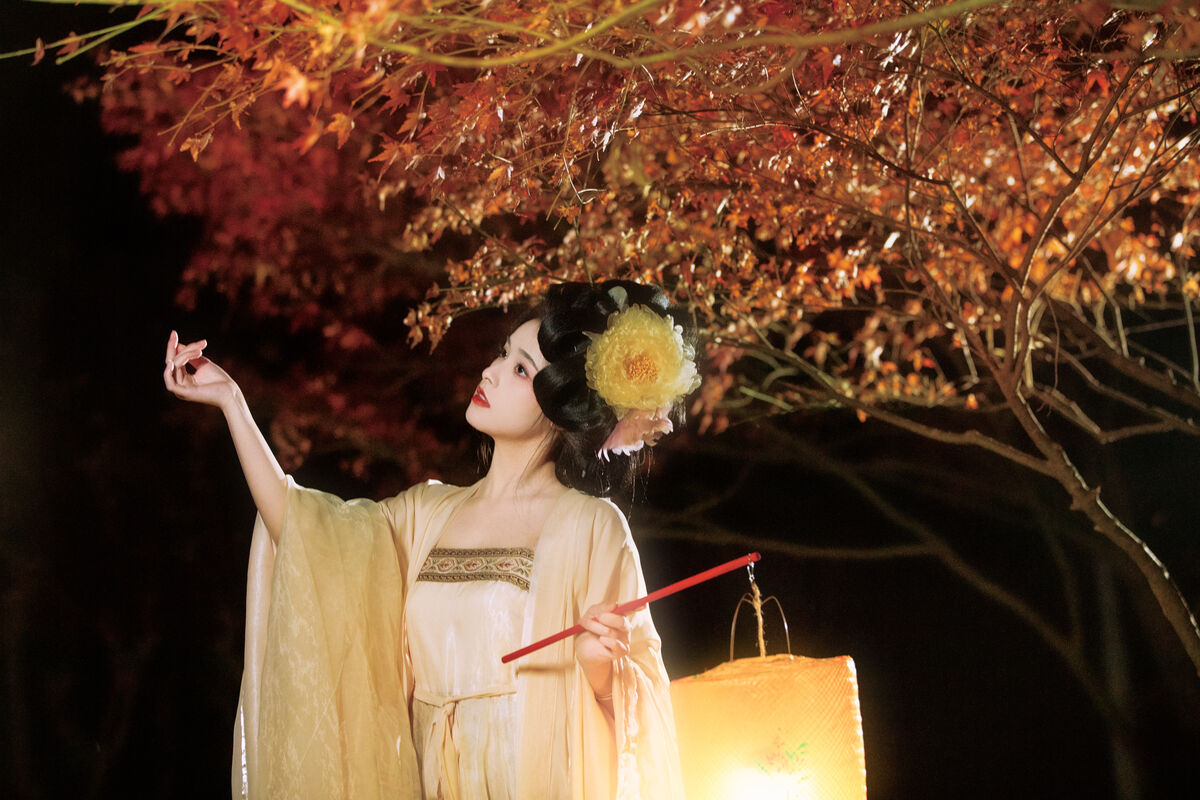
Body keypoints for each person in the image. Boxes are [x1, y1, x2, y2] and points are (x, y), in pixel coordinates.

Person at [163, 281, 698, 800]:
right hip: (427, 778)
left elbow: (641, 717)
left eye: (519, 369)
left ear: (560, 407)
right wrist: (232, 402)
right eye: (501, 354)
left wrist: (600, 669)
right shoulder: (427, 514)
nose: (489, 371)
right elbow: (305, 529)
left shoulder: (590, 527)